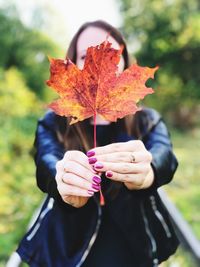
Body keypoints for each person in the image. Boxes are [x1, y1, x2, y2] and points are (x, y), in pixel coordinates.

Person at [16, 20, 179, 267]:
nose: (98, 61)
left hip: (132, 242)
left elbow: (164, 155)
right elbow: (46, 160)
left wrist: (148, 172)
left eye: (111, 52)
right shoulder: (53, 121)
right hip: (67, 243)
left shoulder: (147, 120)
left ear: (125, 60)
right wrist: (61, 178)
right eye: (85, 55)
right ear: (72, 64)